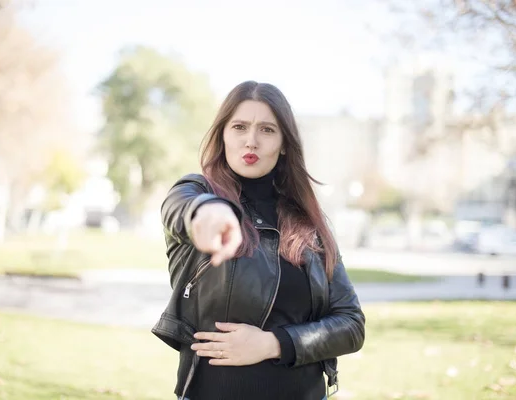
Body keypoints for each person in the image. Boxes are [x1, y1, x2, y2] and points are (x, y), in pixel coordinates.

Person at [152, 81, 365, 400]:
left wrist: (272, 344)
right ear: (223, 135)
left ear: (283, 144)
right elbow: (180, 206)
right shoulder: (197, 194)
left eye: (267, 130)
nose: (251, 140)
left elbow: (350, 325)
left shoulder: (308, 223)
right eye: (239, 127)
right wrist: (210, 213)